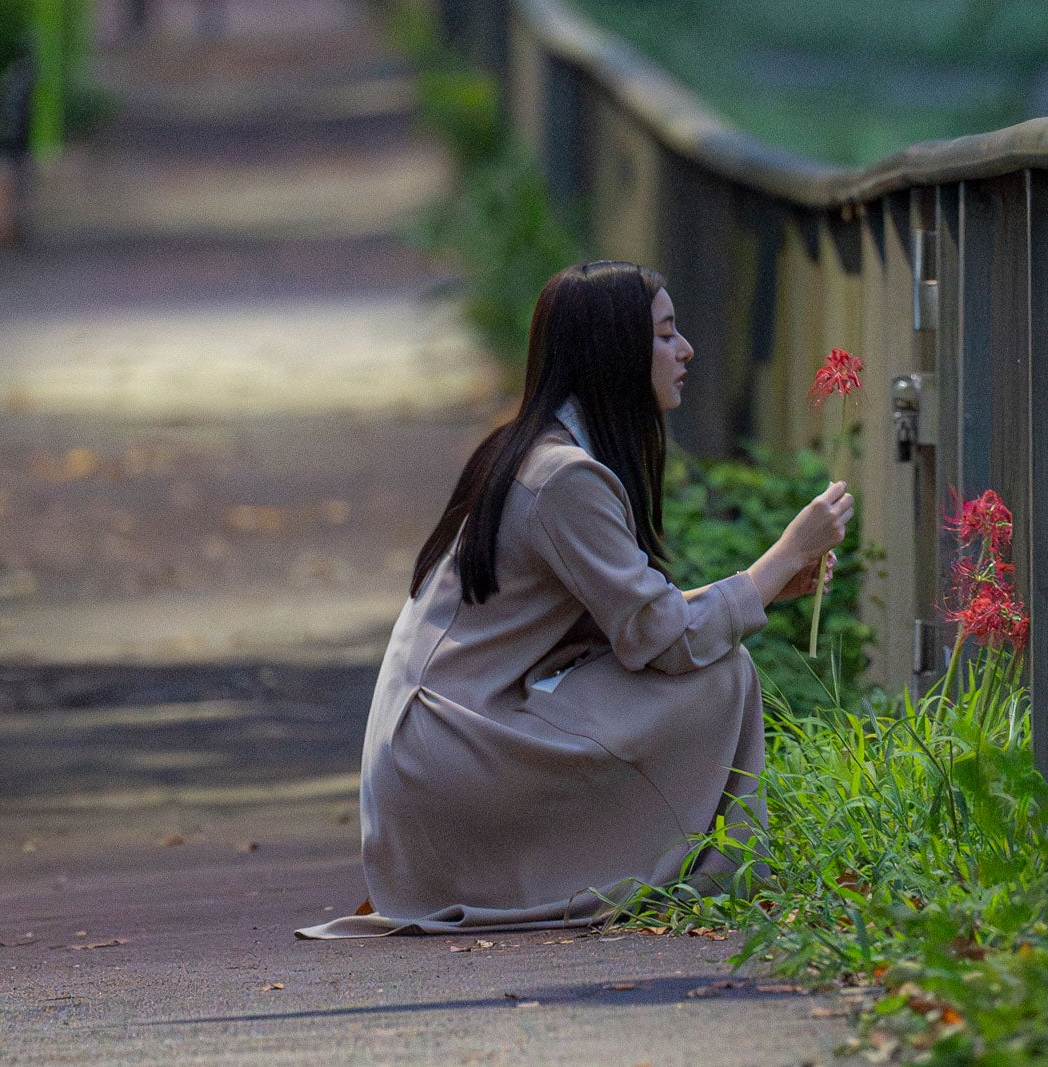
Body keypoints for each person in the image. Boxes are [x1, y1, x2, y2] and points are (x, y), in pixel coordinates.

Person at [296, 261, 852, 938]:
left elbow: (643, 620)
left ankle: (692, 869)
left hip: (434, 752)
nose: (686, 351)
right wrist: (786, 554)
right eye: (666, 334)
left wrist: (764, 582)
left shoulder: (531, 453)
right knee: (722, 674)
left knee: (715, 664)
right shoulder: (564, 477)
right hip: (449, 757)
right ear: (614, 353)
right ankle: (710, 872)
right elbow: (666, 640)